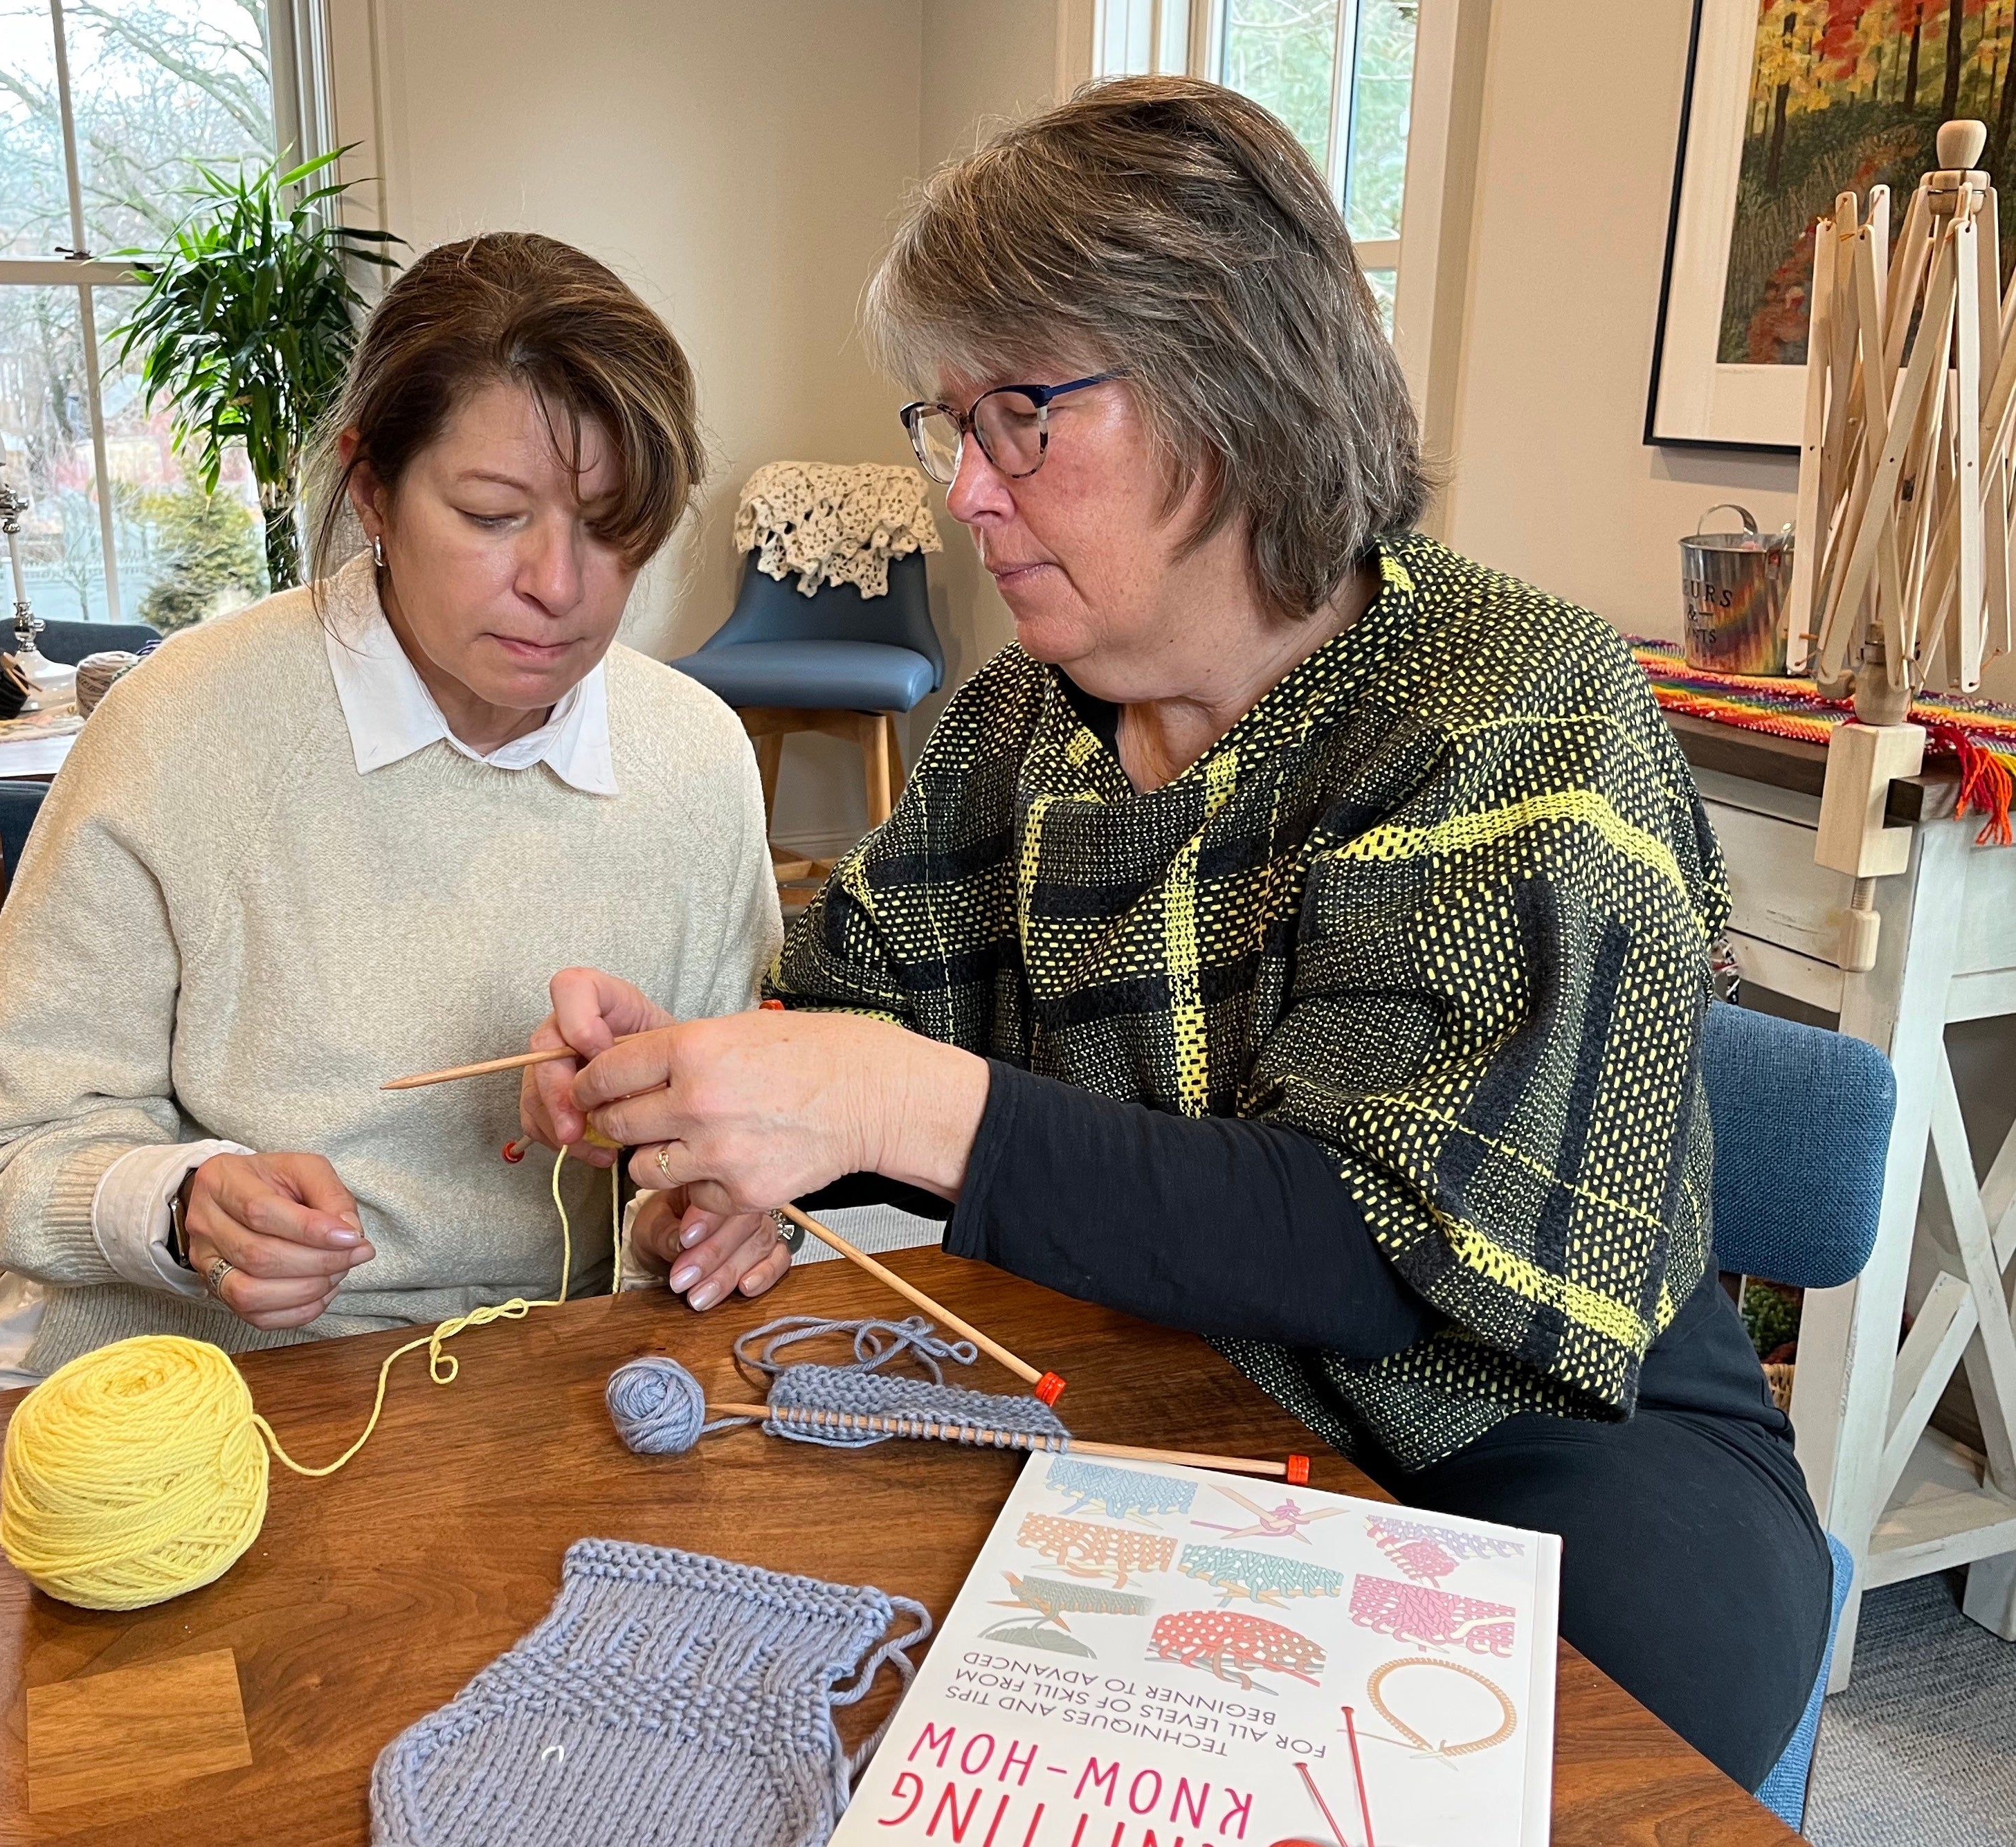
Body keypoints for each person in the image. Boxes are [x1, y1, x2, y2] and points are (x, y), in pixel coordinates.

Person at [524, 79, 1826, 1789]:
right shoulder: (1011, 732)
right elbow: (864, 1073)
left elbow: (1374, 1241)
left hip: (1546, 1442)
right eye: (945, 426)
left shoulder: (1516, 708)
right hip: (1168, 1408)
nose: (963, 495)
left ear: (1230, 381)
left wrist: (883, 1106)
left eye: (1017, 417)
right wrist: (725, 1132)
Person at [0, 232, 790, 1392]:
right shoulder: (184, 725)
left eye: (615, 526)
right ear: (371, 486)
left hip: (552, 1390)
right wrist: (183, 1209)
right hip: (203, 1386)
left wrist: (693, 1217)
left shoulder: (695, 754)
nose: (561, 586)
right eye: (490, 514)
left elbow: (700, 1164)